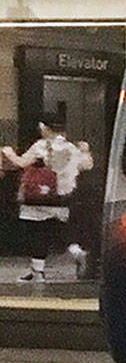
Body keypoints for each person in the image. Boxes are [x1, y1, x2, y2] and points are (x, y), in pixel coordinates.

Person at [1, 114, 93, 282]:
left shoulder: (41, 146)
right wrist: (85, 151)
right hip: (62, 198)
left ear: (44, 128)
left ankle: (38, 272)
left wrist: (9, 153)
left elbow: (21, 163)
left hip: (38, 198)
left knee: (36, 233)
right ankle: (76, 252)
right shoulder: (72, 148)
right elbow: (87, 165)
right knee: (59, 231)